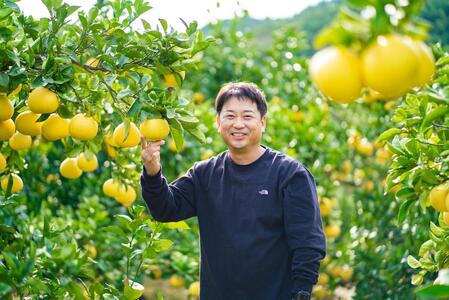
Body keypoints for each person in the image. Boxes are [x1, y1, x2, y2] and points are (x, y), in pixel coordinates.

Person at [140, 82, 326, 300]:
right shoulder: (205, 174)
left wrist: (302, 292)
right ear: (219, 122)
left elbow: (308, 243)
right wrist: (152, 170)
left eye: (247, 116)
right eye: (230, 116)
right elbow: (165, 209)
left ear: (262, 122)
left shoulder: (289, 175)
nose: (238, 124)